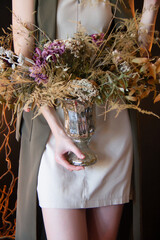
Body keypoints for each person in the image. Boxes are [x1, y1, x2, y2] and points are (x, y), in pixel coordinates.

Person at [12, 0, 160, 239]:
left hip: (111, 130)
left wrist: (153, 4)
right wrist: (58, 133)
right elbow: (23, 67)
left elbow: (136, 57)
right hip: (55, 133)